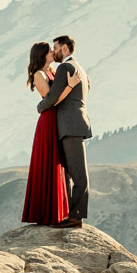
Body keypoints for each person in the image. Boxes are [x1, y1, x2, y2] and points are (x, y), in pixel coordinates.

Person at [36, 34, 92, 227]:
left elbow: (53, 97)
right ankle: (69, 214)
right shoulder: (79, 68)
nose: (54, 51)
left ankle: (75, 216)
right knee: (69, 173)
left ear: (65, 49)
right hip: (72, 124)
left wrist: (40, 107)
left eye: (56, 47)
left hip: (70, 125)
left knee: (77, 174)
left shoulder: (65, 68)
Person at [19, 41, 69, 225]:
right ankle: (45, 214)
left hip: (57, 120)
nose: (52, 52)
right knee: (48, 162)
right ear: (42, 54)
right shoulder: (39, 75)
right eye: (49, 50)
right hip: (48, 121)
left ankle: (56, 212)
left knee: (57, 163)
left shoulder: (52, 72)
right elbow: (51, 99)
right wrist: (70, 87)